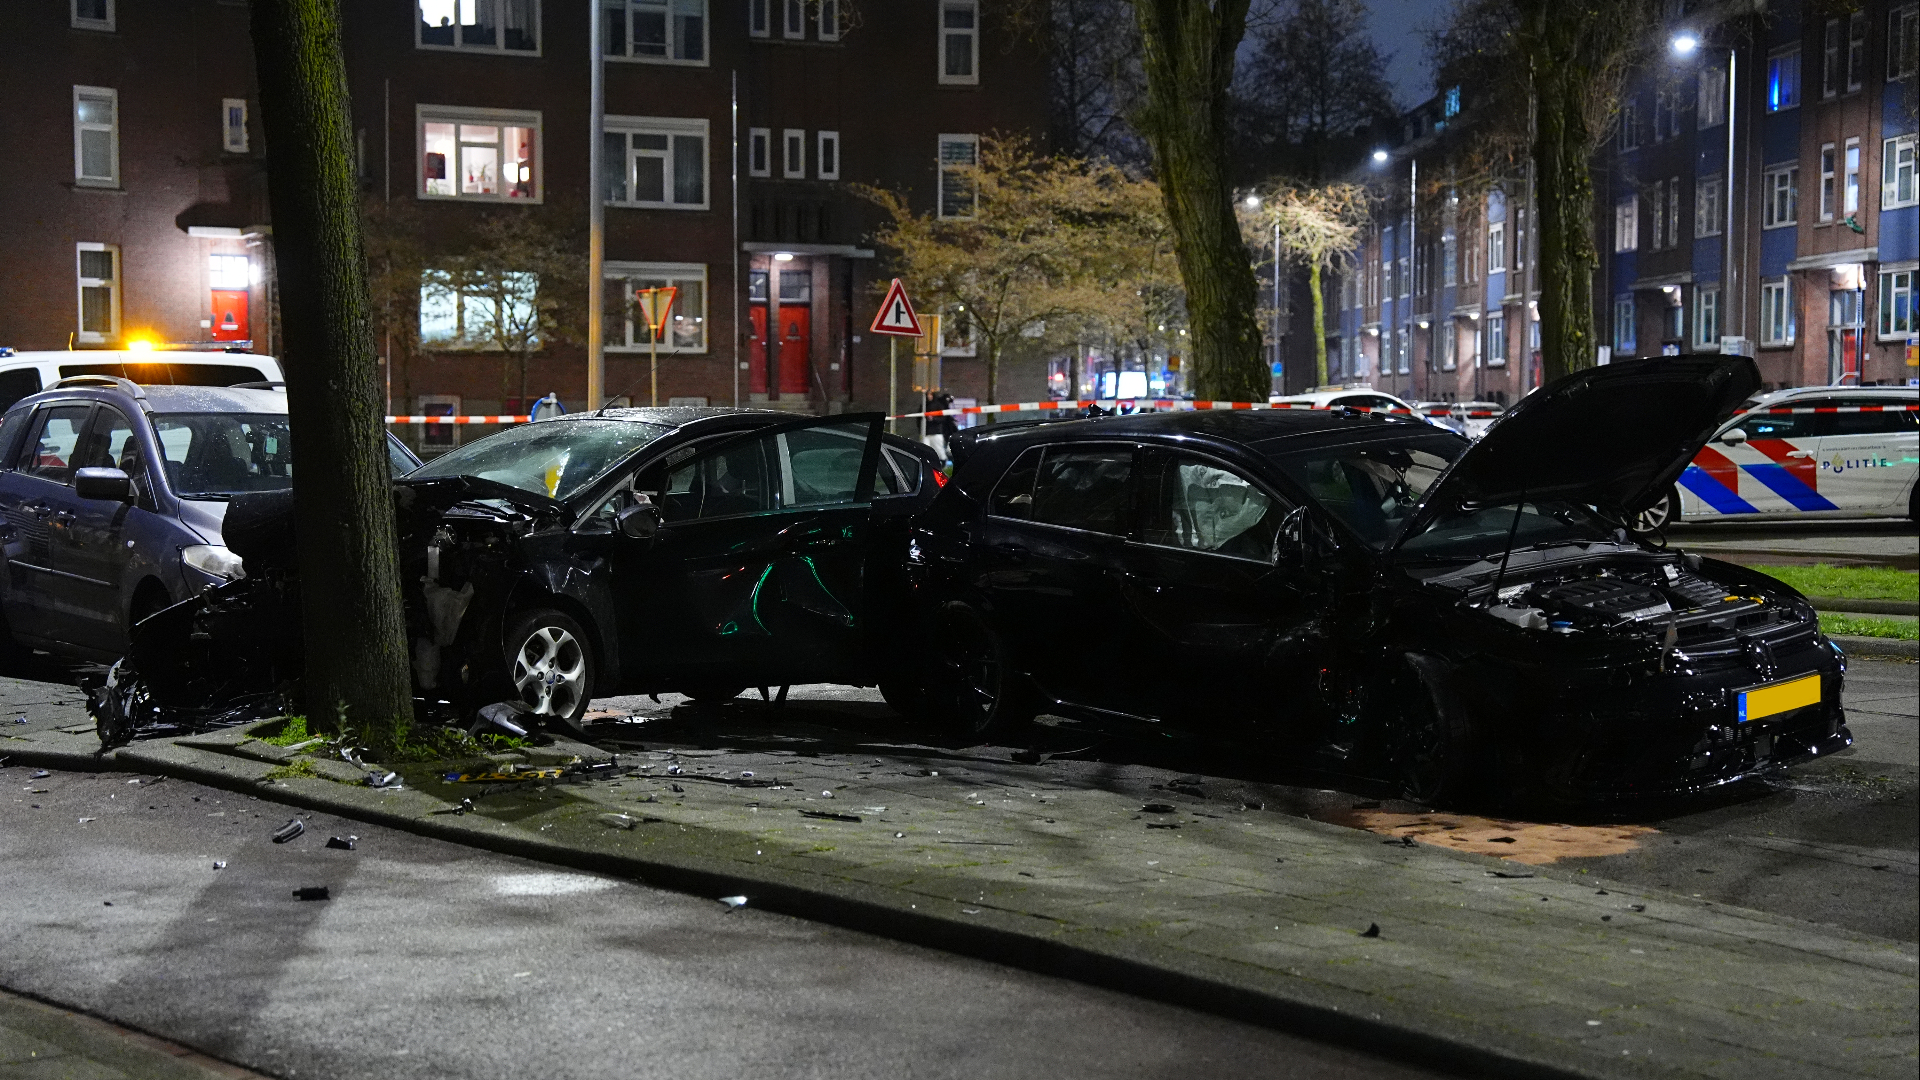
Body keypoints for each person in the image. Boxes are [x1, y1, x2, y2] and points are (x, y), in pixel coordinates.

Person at [923, 388, 957, 463]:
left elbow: (943, 419)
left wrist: (934, 419)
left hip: (938, 431)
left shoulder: (938, 405)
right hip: (930, 431)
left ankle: (944, 460)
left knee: (939, 449)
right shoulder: (925, 405)